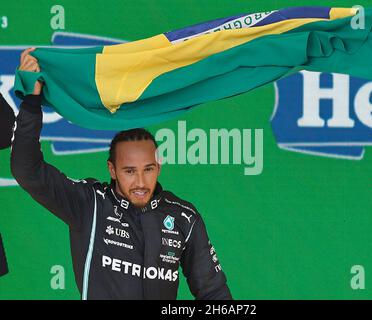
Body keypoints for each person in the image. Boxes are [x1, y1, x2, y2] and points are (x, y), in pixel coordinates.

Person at [10, 48, 232, 300]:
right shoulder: (90, 204)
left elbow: (213, 293)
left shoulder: (183, 216)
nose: (140, 182)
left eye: (148, 169)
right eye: (129, 171)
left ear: (158, 167)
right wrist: (31, 101)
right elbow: (26, 169)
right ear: (112, 170)